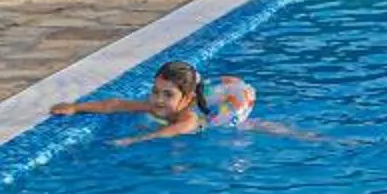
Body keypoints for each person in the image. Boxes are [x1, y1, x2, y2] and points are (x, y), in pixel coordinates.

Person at [53, 60, 249, 140]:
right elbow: (115, 104)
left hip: (223, 113)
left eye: (168, 94)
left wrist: (135, 139)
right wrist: (76, 107)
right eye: (156, 91)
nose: (159, 99)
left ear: (187, 98)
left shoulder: (189, 117)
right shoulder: (155, 105)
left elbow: (172, 131)